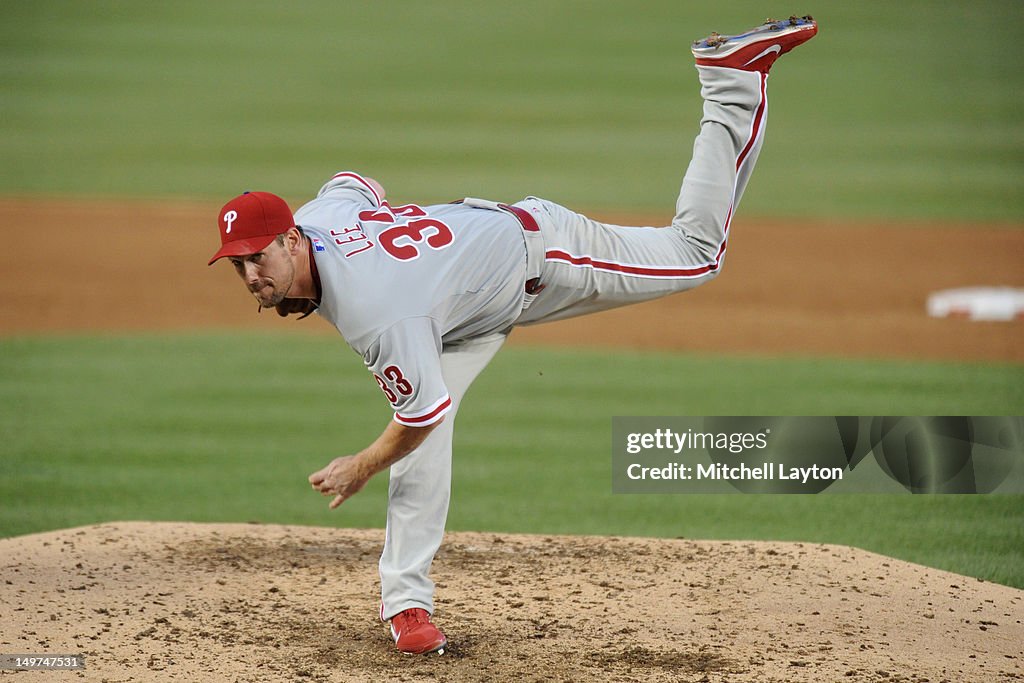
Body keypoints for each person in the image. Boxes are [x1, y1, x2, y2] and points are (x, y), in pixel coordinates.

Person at [208, 16, 818, 655]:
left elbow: (414, 417)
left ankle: (730, 83)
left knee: (695, 254)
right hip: (463, 313)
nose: (252, 274)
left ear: (291, 239)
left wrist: (360, 465)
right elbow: (354, 184)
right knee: (426, 434)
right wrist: (408, 254)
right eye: (240, 264)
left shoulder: (380, 315)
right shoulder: (317, 216)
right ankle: (408, 608)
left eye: (260, 257)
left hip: (541, 253)